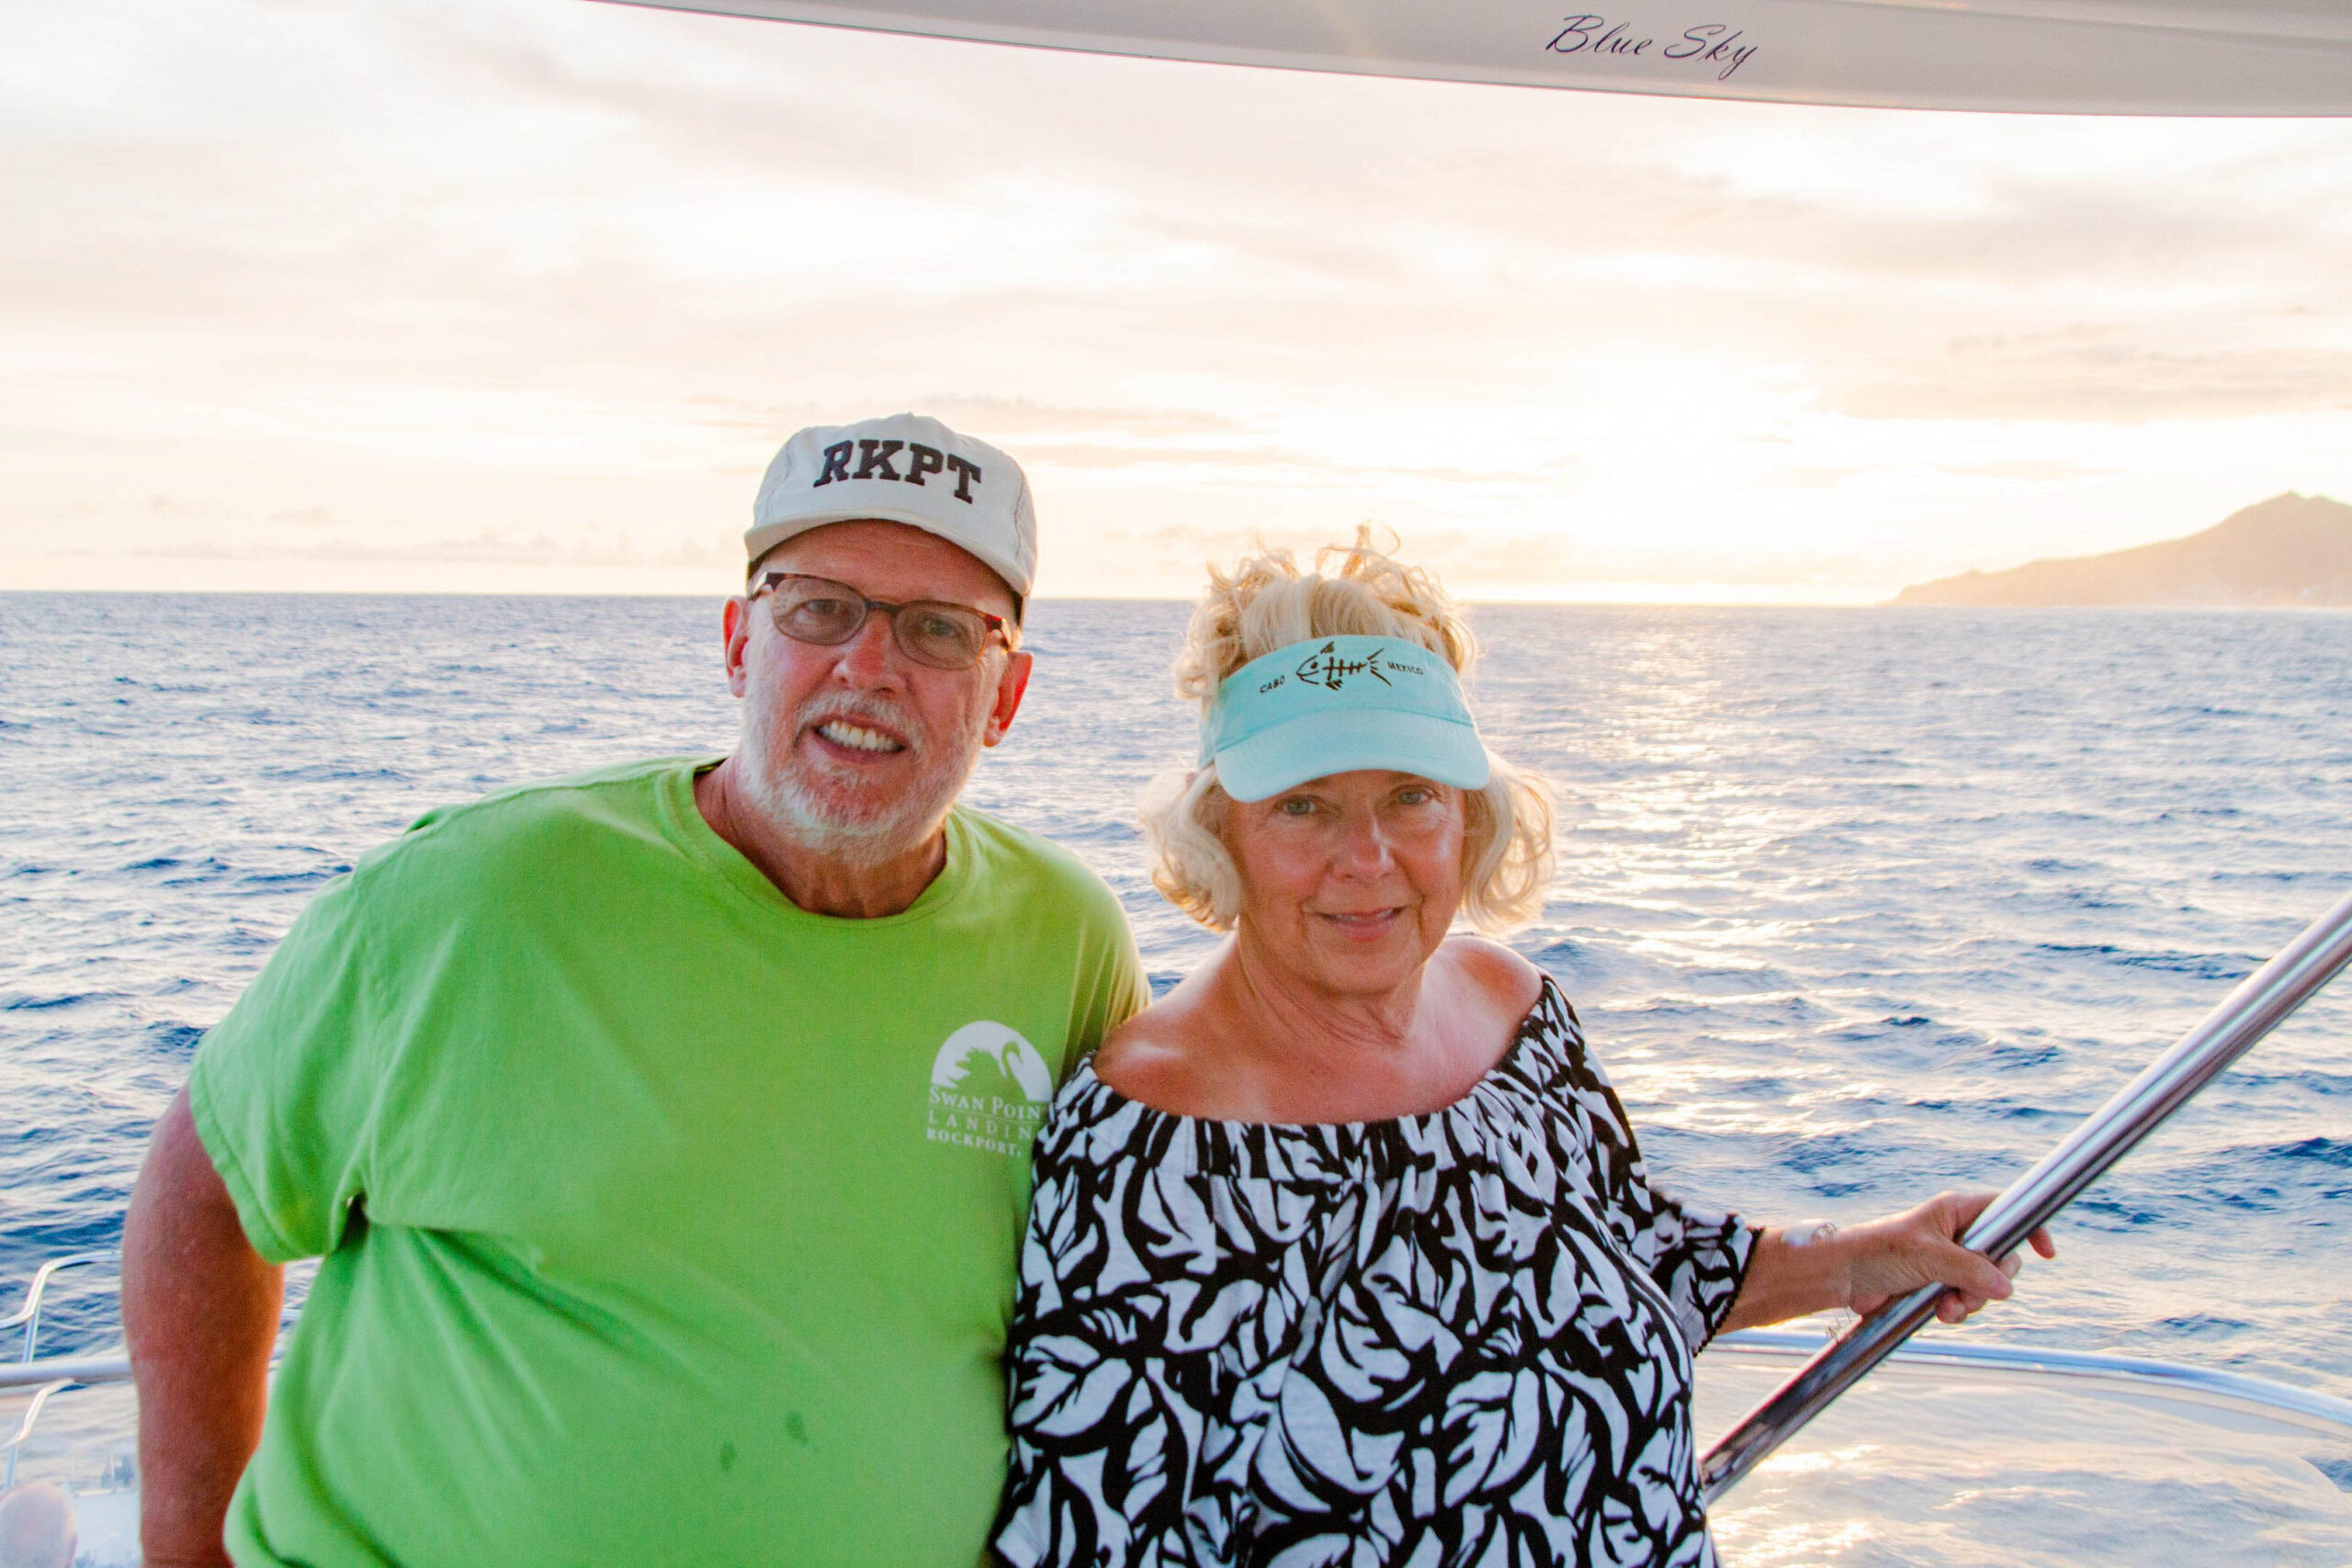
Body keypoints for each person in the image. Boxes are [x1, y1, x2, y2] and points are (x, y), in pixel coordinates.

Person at [119, 412, 1148, 1568]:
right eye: (818, 607)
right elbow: (203, 1199)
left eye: (940, 632)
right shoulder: (472, 895)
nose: (869, 665)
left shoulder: (1068, 938)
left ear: (1005, 698)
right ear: (737, 642)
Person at [991, 534, 2054, 1567]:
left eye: (1411, 796)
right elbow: (1097, 1529)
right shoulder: (1148, 1137)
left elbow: (1634, 1260)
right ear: (1220, 831)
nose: (1366, 860)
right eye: (1304, 807)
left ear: (1469, 816)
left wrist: (1859, 1261)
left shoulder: (1515, 1012)